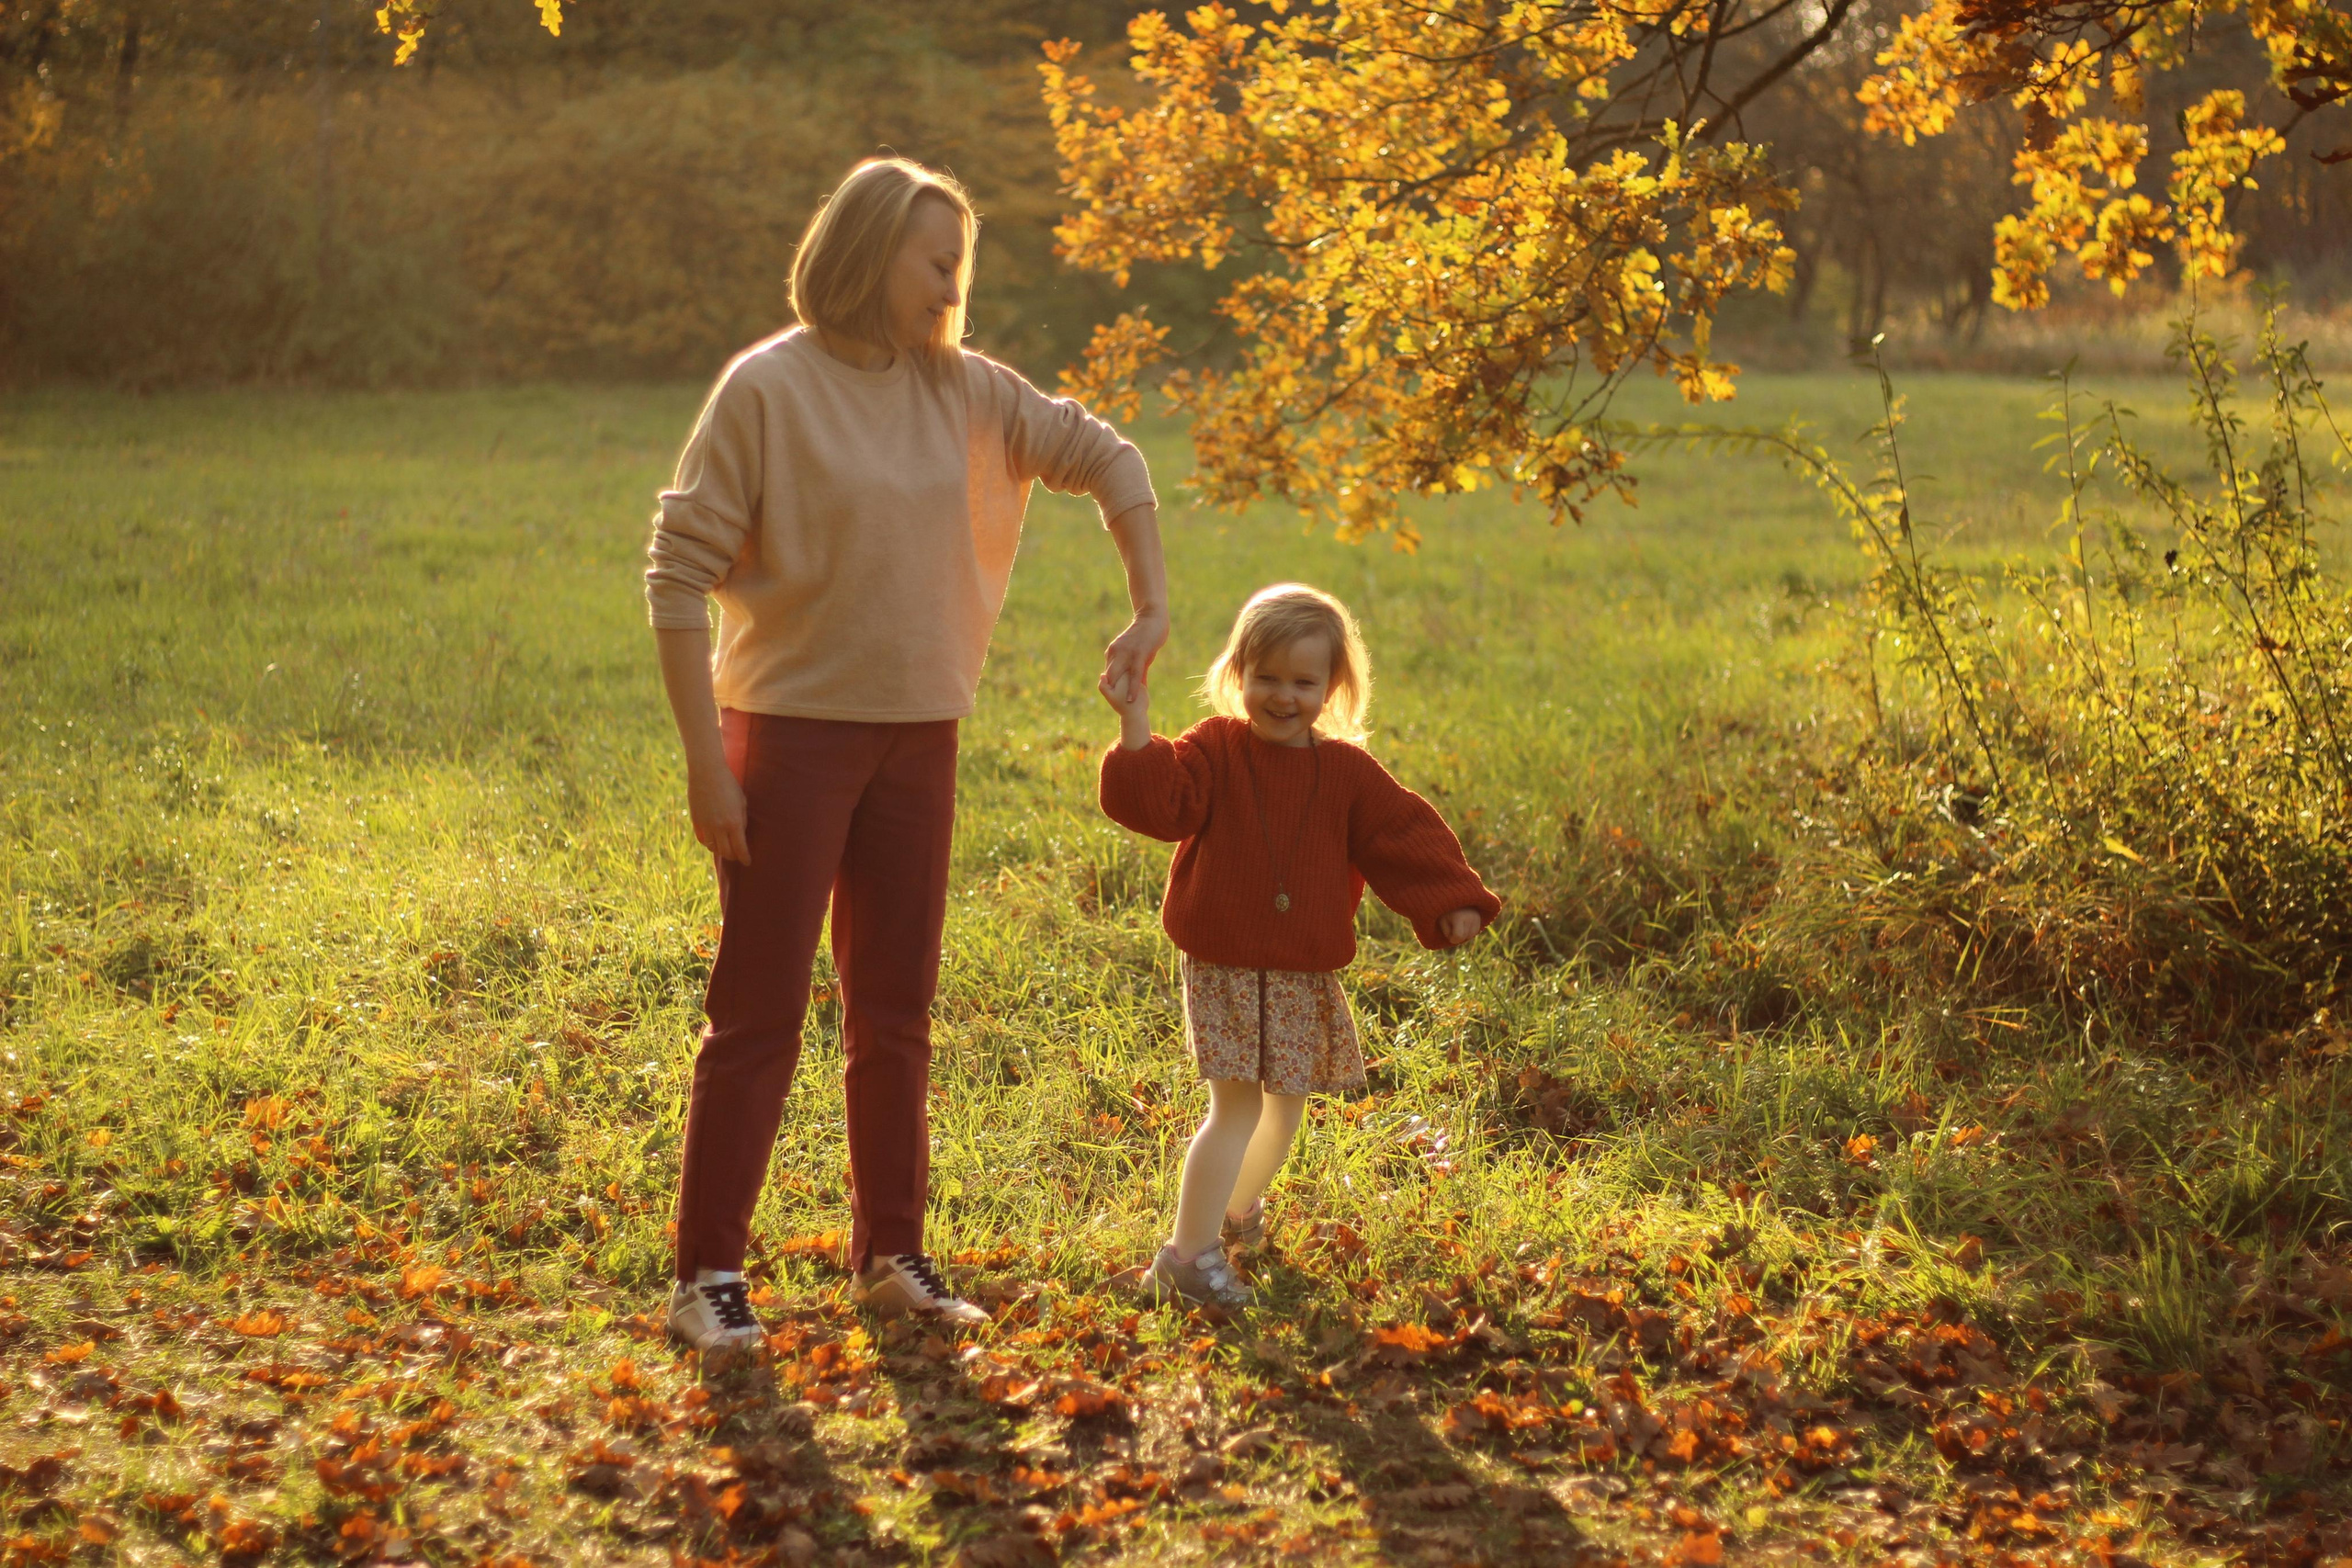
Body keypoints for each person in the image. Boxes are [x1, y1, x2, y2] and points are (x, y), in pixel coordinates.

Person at [645, 156, 1169, 1355]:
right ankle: (707, 1273)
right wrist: (702, 763)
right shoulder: (767, 389)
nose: (951, 284)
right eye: (936, 259)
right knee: (760, 1011)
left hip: (918, 740)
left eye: (959, 264)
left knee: (896, 1008)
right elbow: (675, 575)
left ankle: (892, 1255)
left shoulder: (971, 392)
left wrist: (1148, 606)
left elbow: (1118, 462)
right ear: (868, 250)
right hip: (785, 740)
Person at [1096, 583, 1500, 1308]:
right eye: (1267, 678)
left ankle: (1235, 1209)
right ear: (1239, 674)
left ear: (1334, 686)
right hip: (1223, 960)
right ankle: (1186, 1256)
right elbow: (1160, 803)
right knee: (1238, 1108)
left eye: (1304, 682)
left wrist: (1452, 902)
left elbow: (1400, 834)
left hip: (1300, 969)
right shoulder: (1215, 749)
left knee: (1288, 1104)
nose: (1283, 696)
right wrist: (1135, 725)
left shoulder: (1346, 772)